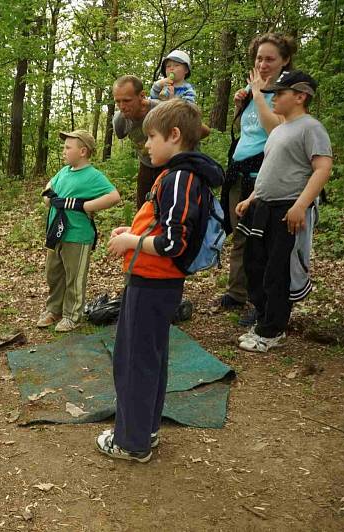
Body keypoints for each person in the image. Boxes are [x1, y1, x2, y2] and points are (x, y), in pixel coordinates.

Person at [97, 99, 224, 462]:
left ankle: (131, 443)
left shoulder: (181, 177)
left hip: (153, 284)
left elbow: (173, 242)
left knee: (135, 360)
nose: (147, 144)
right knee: (146, 358)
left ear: (174, 135)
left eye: (152, 137)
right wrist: (134, 230)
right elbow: (164, 226)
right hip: (153, 282)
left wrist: (130, 242)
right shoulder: (177, 175)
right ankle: (144, 430)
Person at [235, 71, 332, 353]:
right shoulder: (278, 130)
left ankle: (273, 330)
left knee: (278, 271)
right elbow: (270, 168)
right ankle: (264, 319)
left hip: (287, 209)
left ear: (300, 96)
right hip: (263, 208)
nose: (273, 97)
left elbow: (322, 168)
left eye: (280, 93)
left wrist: (300, 206)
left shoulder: (310, 128)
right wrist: (253, 198)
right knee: (256, 265)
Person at [216, 33, 297, 327]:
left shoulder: (285, 93)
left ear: (285, 60)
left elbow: (273, 129)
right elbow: (247, 129)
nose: (263, 64)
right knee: (239, 235)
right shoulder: (253, 91)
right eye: (259, 58)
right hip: (239, 169)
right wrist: (247, 96)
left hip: (263, 172)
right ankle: (237, 292)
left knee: (260, 240)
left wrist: (261, 95)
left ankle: (259, 301)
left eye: (270, 59)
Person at [36, 130, 120, 332]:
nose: (64, 151)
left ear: (82, 151)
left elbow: (114, 196)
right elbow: (49, 186)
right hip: (56, 232)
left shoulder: (93, 176)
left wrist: (86, 206)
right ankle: (54, 309)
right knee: (54, 273)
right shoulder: (64, 172)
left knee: (75, 276)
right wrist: (48, 197)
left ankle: (72, 315)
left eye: (67, 148)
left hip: (77, 235)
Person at [113, 75, 164, 210]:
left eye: (127, 100)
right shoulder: (120, 120)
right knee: (143, 208)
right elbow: (120, 134)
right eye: (118, 101)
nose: (122, 106)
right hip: (146, 165)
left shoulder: (161, 111)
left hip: (169, 165)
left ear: (142, 96)